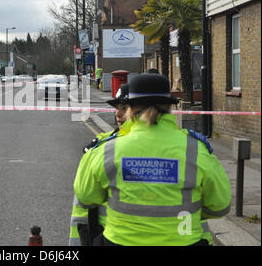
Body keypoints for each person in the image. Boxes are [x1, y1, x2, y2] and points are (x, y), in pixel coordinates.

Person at [73, 74, 231, 246]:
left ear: (130, 110)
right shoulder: (196, 149)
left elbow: (86, 197)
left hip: (120, 241)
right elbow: (220, 206)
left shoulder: (108, 150)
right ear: (169, 108)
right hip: (183, 240)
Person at [69, 84, 130, 246]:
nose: (118, 113)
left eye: (124, 108)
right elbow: (80, 209)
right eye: (117, 108)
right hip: (106, 236)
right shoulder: (100, 147)